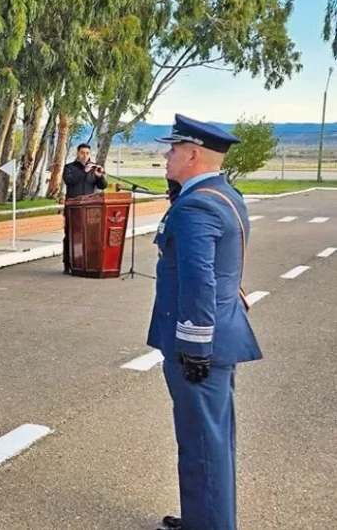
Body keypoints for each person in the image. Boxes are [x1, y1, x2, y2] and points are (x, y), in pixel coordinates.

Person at [148, 115, 261, 530]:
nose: (167, 155)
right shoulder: (222, 194)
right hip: (219, 336)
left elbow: (200, 281)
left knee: (202, 445)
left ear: (193, 155)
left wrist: (194, 348)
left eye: (174, 149)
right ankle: (204, 519)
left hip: (199, 347)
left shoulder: (197, 205)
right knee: (209, 441)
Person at [60, 143, 108, 272]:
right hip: (73, 207)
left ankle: (87, 263)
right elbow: (69, 181)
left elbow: (103, 186)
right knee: (71, 235)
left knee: (90, 235)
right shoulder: (69, 167)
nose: (85, 156)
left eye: (87, 153)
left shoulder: (93, 168)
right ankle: (68, 264)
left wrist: (99, 176)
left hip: (90, 208)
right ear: (77, 153)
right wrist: (84, 172)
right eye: (82, 153)